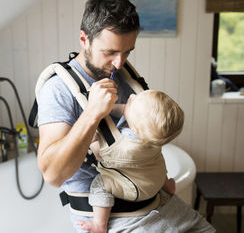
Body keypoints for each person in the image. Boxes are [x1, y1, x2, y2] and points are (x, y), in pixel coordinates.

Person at [37, 0, 215, 232]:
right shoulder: (58, 90)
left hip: (159, 203)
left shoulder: (124, 74)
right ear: (84, 39)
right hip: (111, 219)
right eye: (110, 52)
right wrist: (91, 114)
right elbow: (52, 176)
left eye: (127, 52)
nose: (119, 63)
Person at [77, 90, 183, 233]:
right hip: (155, 180)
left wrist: (93, 141)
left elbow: (100, 155)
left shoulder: (123, 147)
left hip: (136, 190)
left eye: (132, 102)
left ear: (134, 128)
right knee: (156, 165)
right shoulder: (151, 135)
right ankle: (167, 186)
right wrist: (107, 108)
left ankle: (99, 224)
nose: (131, 96)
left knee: (100, 184)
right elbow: (124, 110)